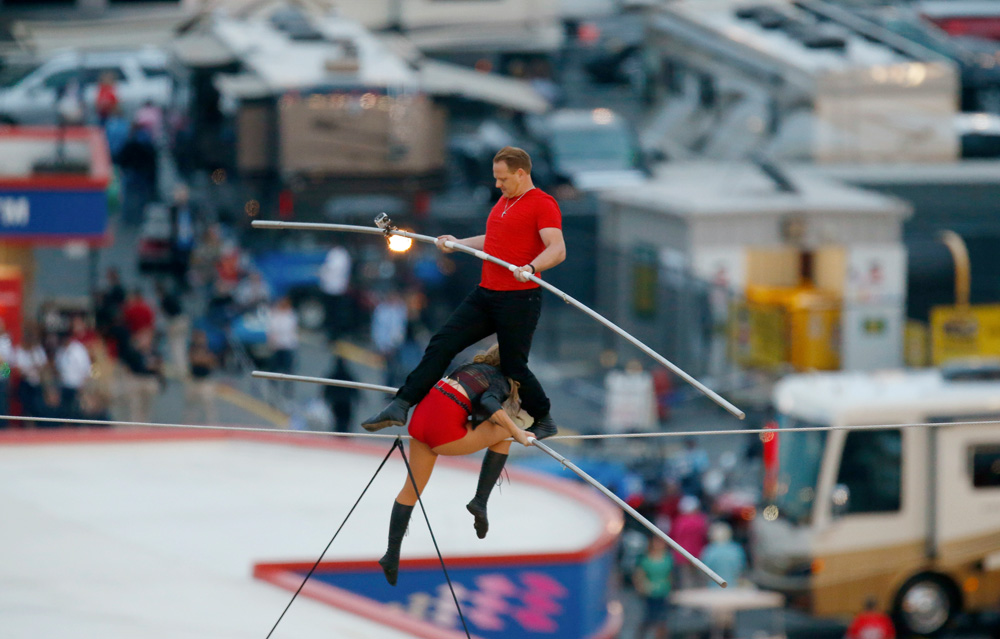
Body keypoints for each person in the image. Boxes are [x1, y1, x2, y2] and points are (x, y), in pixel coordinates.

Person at [363, 146, 566, 441]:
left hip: (519, 298)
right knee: (442, 343)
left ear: (521, 174)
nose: (497, 184)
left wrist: (531, 267)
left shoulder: (542, 204)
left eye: (503, 178)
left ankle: (544, 418)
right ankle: (401, 403)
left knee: (514, 366)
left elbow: (557, 249)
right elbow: (493, 239)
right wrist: (458, 243)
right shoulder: (504, 202)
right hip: (487, 293)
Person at [378, 345, 534, 586]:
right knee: (505, 431)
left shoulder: (469, 368)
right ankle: (480, 501)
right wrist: (517, 431)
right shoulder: (500, 381)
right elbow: (490, 403)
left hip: (419, 424)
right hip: (444, 435)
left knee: (411, 490)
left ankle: (391, 554)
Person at [633, 536, 674, 639]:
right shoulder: (646, 559)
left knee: (663, 620)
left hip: (664, 591)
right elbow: (639, 575)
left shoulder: (668, 558)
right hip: (650, 593)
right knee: (648, 618)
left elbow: (670, 575)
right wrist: (642, 587)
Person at [699, 522, 747, 590]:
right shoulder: (736, 549)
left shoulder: (709, 550)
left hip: (713, 588)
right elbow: (741, 567)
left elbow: (703, 570)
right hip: (733, 587)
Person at [323, 357, 358, 433]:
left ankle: (339, 433)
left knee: (338, 421)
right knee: (345, 421)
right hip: (345, 403)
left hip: (337, 402)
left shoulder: (333, 376)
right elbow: (355, 389)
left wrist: (326, 398)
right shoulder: (348, 375)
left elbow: (326, 390)